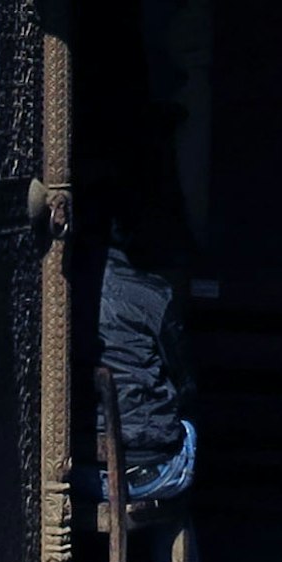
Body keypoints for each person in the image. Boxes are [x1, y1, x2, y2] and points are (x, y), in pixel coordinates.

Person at [92, 207, 197, 504]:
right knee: (188, 427)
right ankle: (169, 550)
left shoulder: (60, 295)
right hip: (144, 472)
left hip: (75, 471)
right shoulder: (151, 294)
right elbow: (184, 377)